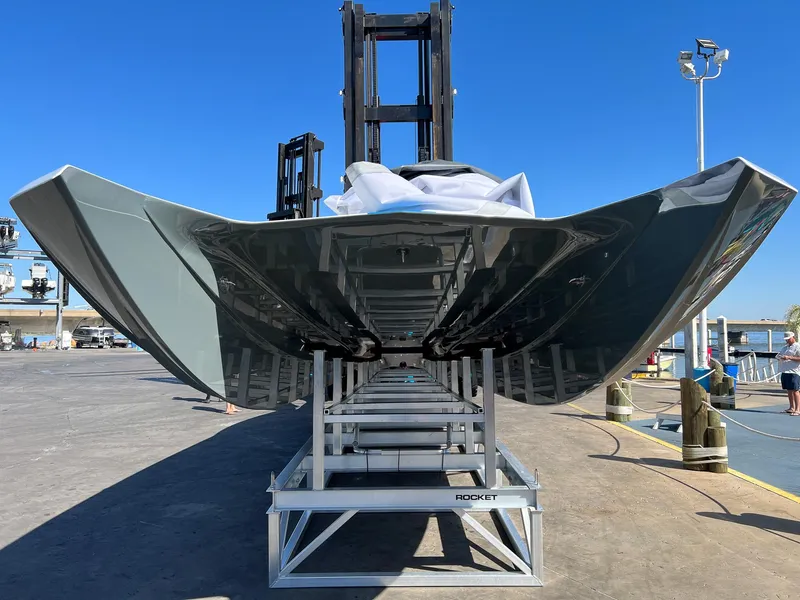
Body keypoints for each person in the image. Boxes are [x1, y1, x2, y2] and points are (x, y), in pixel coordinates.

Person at [776, 331, 800, 415]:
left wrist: (789, 357)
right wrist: (779, 357)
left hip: (794, 371)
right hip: (785, 370)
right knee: (789, 390)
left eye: (788, 339)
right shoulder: (785, 347)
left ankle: (798, 409)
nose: (787, 341)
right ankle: (791, 407)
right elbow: (779, 355)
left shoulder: (797, 346)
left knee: (795, 390)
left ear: (793, 337)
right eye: (786, 339)